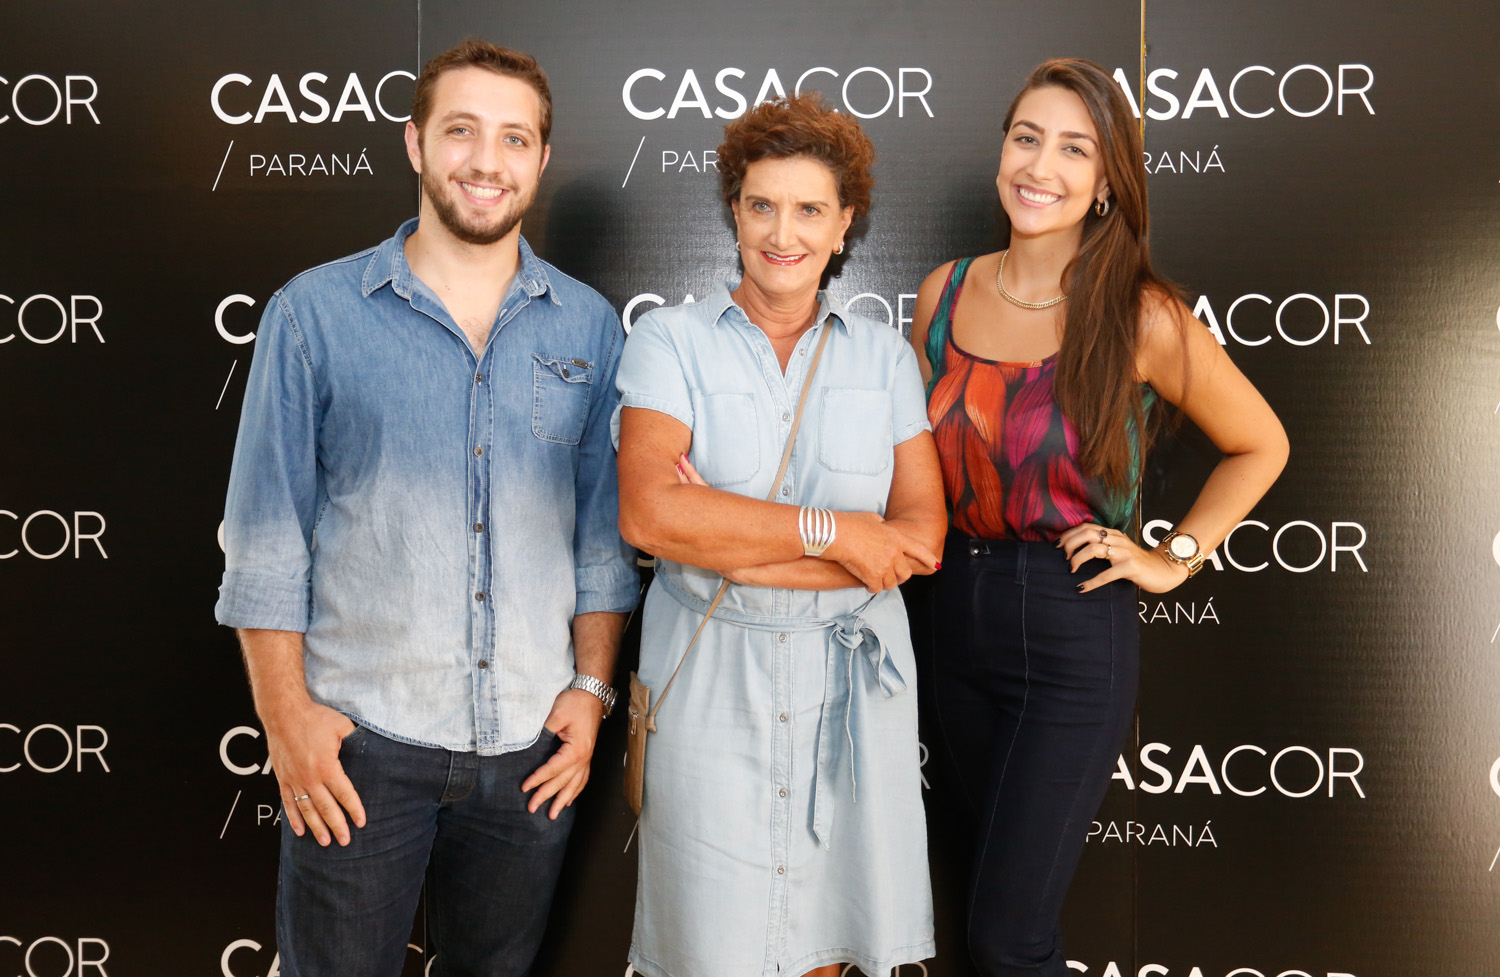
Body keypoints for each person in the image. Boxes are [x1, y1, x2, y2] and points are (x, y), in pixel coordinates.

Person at [214, 40, 638, 977]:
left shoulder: (590, 327)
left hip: (530, 750)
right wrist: (286, 718)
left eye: (513, 138)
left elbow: (604, 537)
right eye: (462, 131)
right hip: (361, 749)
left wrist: (592, 689)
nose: (487, 161)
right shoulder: (313, 315)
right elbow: (262, 535)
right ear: (414, 144)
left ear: (540, 160)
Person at [909, 59, 1288, 977]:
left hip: (1071, 626)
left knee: (1010, 937)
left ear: (1107, 181)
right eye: (1027, 137)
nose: (1041, 165)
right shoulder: (942, 292)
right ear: (1002, 150)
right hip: (943, 615)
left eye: (1074, 148)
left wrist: (1173, 557)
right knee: (973, 906)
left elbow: (1261, 444)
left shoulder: (1141, 314)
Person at [614, 93, 948, 977]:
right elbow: (650, 514)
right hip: (710, 678)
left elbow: (915, 543)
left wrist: (719, 529)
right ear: (734, 211)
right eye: (762, 204)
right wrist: (839, 534)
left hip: (854, 688)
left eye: (808, 209)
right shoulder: (668, 341)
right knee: (706, 951)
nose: (782, 232)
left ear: (845, 225)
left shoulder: (885, 357)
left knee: (827, 951)